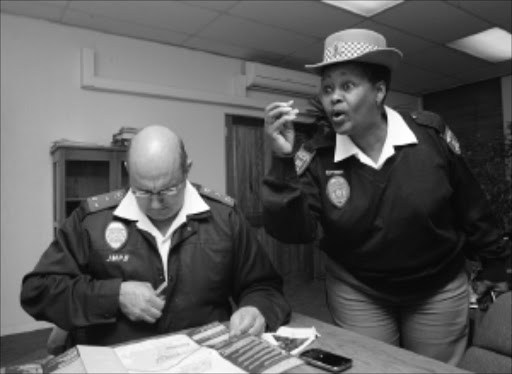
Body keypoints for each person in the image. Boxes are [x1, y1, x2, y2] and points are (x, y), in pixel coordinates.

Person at [261, 28, 510, 365]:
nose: (333, 97)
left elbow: (470, 201)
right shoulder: (317, 155)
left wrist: (496, 262)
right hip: (359, 289)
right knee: (373, 367)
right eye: (327, 88)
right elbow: (294, 232)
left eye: (347, 86)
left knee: (432, 370)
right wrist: (281, 162)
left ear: (379, 91)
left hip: (437, 285)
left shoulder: (429, 135)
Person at [21, 125, 290, 349]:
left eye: (168, 189)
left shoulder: (225, 218)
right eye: (142, 191)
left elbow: (263, 286)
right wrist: (113, 296)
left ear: (187, 168)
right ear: (128, 170)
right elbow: (38, 291)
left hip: (203, 358)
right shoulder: (92, 220)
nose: (156, 204)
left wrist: (257, 309)